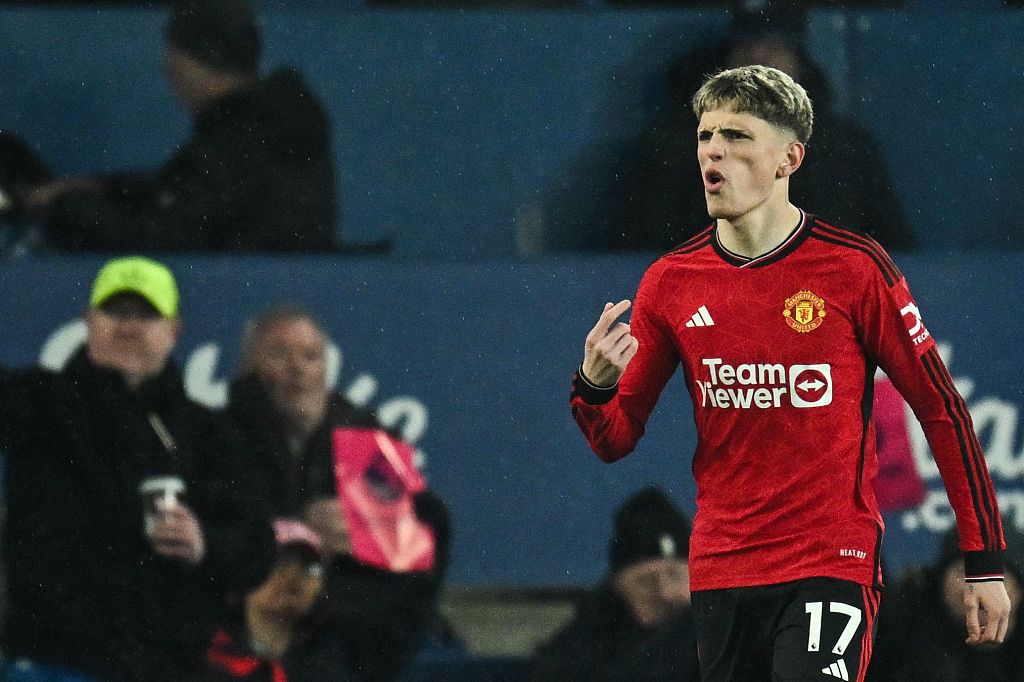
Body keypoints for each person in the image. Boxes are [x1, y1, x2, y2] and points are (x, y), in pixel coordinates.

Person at [570, 65, 1009, 681]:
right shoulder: (671, 282)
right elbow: (614, 439)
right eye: (705, 136)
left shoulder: (853, 270)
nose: (713, 151)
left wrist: (984, 561)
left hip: (830, 558)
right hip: (723, 567)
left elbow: (943, 413)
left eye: (738, 135)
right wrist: (595, 384)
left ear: (789, 158)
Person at [0, 256, 275, 681]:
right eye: (115, 313)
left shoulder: (209, 434)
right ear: (88, 320)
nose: (128, 327)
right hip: (50, 660)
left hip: (166, 664)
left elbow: (256, 547)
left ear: (174, 330)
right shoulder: (34, 403)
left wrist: (204, 544)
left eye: (146, 315)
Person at [225, 304, 450, 682]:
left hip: (337, 630)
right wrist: (299, 527)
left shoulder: (366, 438)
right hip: (246, 618)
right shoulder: (220, 437)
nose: (297, 368)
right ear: (248, 367)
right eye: (279, 353)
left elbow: (412, 553)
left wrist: (367, 531)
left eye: (311, 356)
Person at [8, 0, 337, 252]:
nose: (167, 71)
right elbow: (181, 192)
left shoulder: (235, 143)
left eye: (172, 61)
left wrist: (63, 210)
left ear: (193, 68)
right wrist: (101, 188)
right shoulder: (267, 124)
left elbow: (166, 235)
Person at [611, 2, 914, 253]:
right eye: (747, 44)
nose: (758, 58)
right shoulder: (673, 144)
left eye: (774, 46)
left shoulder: (846, 147)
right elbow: (637, 241)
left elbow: (890, 245)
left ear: (798, 59)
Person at [525, 486, 700, 682]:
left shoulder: (720, 639)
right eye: (646, 581)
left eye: (675, 576)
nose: (664, 593)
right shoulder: (580, 650)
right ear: (618, 587)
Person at [868, 527, 1024, 681]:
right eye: (964, 572)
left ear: (1018, 590)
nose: (976, 589)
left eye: (994, 577)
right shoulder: (899, 629)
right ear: (941, 580)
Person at [206, 518, 346, 682]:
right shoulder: (211, 653)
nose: (294, 575)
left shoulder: (328, 667)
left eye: (310, 568)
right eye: (281, 563)